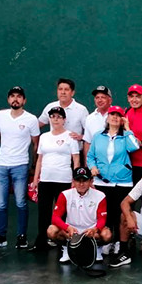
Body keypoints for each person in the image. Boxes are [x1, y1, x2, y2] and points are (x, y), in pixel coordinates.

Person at [87, 106, 141, 262]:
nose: (115, 117)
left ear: (122, 119)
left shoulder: (125, 137)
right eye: (112, 115)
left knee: (121, 214)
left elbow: (135, 147)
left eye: (118, 115)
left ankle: (119, 242)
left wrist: (128, 128)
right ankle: (107, 241)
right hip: (102, 181)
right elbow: (91, 156)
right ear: (107, 117)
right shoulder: (98, 136)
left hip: (122, 182)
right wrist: (92, 167)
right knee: (106, 213)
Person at [0, 86, 40, 250]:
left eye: (19, 96)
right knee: (1, 204)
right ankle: (1, 236)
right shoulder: (0, 115)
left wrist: (33, 165)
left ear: (24, 100)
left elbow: (36, 144)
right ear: (8, 99)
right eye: (12, 96)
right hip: (1, 165)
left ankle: (21, 236)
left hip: (21, 165)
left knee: (20, 203)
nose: (15, 99)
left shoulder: (31, 119)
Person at [29, 106, 80, 251]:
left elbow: (76, 159)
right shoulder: (44, 137)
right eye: (52, 116)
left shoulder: (70, 136)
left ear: (64, 120)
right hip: (45, 180)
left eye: (58, 117)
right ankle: (41, 242)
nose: (55, 119)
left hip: (63, 180)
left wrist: (74, 180)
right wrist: (36, 179)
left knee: (62, 212)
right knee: (43, 211)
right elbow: (40, 159)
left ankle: (61, 242)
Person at [47, 167, 112, 263]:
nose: (81, 184)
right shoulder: (65, 194)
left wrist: (95, 229)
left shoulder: (100, 196)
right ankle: (66, 248)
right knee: (51, 230)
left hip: (91, 231)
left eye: (85, 181)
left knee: (107, 234)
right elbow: (55, 217)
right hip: (71, 231)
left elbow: (102, 219)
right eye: (78, 180)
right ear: (73, 181)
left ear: (91, 181)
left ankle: (97, 249)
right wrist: (67, 227)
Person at [38, 78, 89, 151]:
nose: (63, 92)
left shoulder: (81, 109)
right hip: (54, 152)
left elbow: (90, 132)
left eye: (66, 89)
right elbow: (37, 125)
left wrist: (81, 137)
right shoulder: (50, 107)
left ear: (72, 93)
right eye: (60, 89)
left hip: (74, 154)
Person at [83, 85, 113, 166]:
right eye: (97, 97)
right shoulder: (89, 118)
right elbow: (87, 143)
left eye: (103, 97)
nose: (99, 100)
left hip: (115, 164)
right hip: (95, 165)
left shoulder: (118, 116)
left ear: (110, 100)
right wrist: (87, 165)